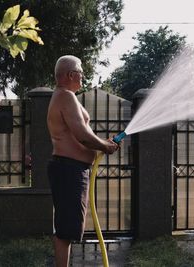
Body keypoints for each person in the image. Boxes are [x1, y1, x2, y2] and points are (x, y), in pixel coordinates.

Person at [47, 55, 119, 267]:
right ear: (70, 74)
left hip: (71, 169)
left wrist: (101, 144)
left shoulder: (65, 97)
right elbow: (81, 134)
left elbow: (82, 135)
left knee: (67, 229)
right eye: (80, 72)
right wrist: (104, 146)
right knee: (65, 231)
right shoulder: (65, 96)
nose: (83, 76)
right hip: (69, 169)